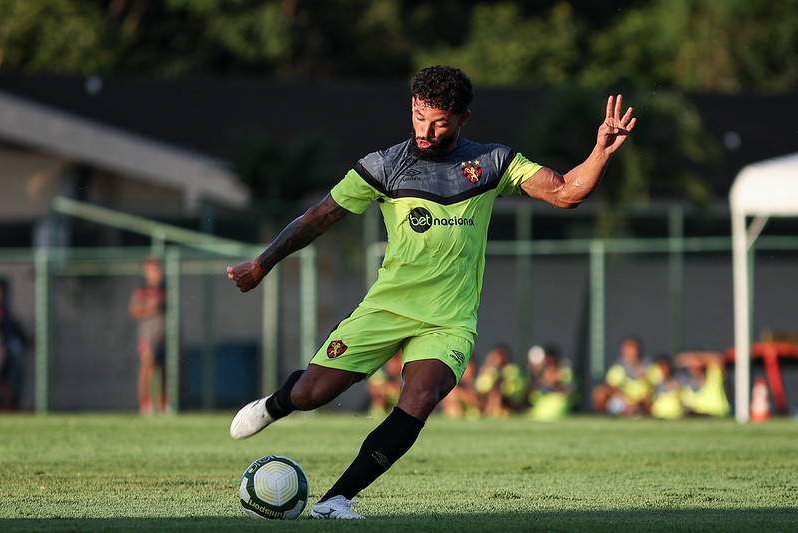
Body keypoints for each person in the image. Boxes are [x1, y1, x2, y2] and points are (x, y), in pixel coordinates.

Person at [227, 65, 636, 519]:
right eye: (420, 116)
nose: (426, 129)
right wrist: (262, 264)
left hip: (449, 320)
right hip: (386, 308)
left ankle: (336, 500)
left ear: (463, 118)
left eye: (440, 121)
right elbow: (317, 217)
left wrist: (600, 150)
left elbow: (565, 193)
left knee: (420, 398)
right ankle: (275, 403)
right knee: (310, 395)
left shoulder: (493, 163)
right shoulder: (382, 166)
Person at [128, 256, 167, 415]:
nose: (155, 273)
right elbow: (134, 311)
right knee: (147, 366)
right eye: (151, 270)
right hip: (147, 334)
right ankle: (145, 405)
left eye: (157, 269)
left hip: (164, 333)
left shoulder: (165, 290)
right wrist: (151, 308)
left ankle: (164, 404)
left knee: (166, 367)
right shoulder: (141, 291)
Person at [592, 336, 651, 416]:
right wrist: (627, 401)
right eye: (627, 348)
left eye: (632, 348)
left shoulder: (647, 366)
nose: (630, 352)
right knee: (599, 393)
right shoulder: (618, 367)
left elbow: (652, 388)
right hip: (625, 401)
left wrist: (640, 400)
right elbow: (611, 387)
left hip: (643, 402)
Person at [0, 278, 28, 410]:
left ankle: (8, 409)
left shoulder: (4, 308)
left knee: (6, 381)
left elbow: (14, 326)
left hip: (3, 349)